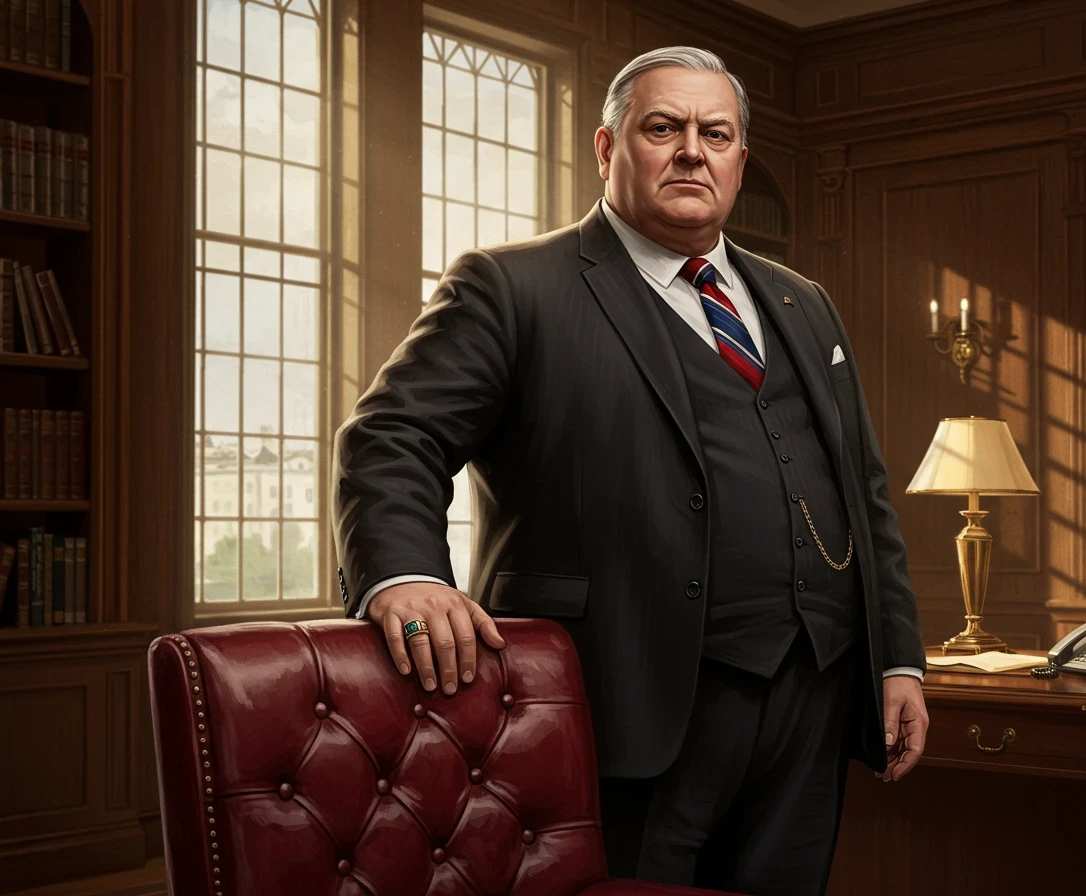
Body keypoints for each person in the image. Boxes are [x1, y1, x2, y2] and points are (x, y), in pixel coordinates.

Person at [332, 45, 928, 896]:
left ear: (740, 161)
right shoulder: (513, 287)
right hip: (622, 699)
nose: (693, 149)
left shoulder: (803, 301)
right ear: (610, 149)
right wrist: (405, 575)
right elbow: (390, 437)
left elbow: (864, 495)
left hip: (815, 698)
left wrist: (895, 660)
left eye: (715, 133)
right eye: (665, 127)